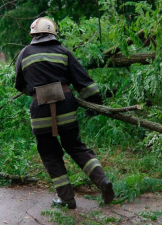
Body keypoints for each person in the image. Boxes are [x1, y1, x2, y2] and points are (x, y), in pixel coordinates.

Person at [15, 17, 114, 209]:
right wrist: (95, 103)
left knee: (50, 153)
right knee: (75, 146)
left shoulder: (24, 54)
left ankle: (66, 197)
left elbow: (20, 85)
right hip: (66, 107)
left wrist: (37, 92)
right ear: (53, 34)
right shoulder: (63, 51)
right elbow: (83, 81)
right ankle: (102, 181)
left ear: (33, 35)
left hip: (40, 109)